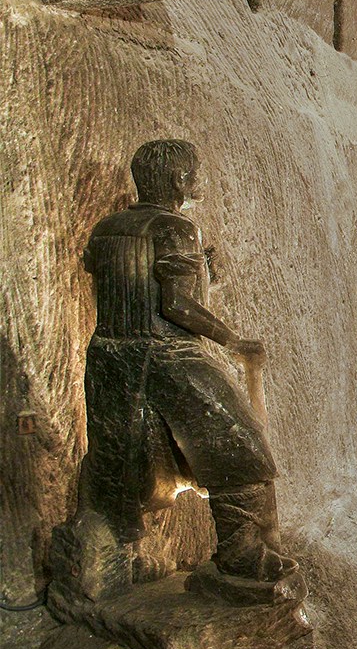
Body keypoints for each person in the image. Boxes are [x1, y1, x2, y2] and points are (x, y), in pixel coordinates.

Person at [78, 139, 296, 586]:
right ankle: (244, 559)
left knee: (123, 465)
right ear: (179, 179)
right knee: (243, 447)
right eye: (194, 173)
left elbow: (126, 284)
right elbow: (177, 305)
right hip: (166, 355)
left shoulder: (106, 228)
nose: (197, 181)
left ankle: (109, 563)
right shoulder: (176, 227)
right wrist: (233, 341)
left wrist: (204, 272)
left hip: (110, 356)